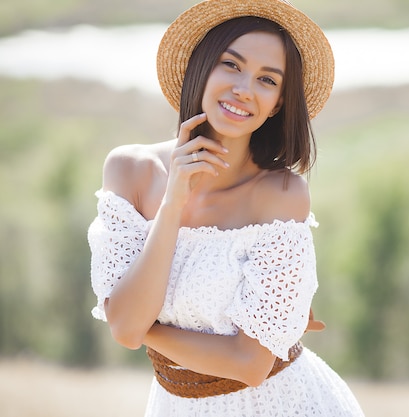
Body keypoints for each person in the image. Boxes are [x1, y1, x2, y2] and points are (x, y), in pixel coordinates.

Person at [87, 0, 365, 415]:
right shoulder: (131, 171)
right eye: (231, 65)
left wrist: (141, 328)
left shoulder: (282, 194)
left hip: (282, 404)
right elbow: (124, 325)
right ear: (201, 66)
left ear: (279, 104)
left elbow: (249, 364)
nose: (244, 89)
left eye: (267, 80)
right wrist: (174, 200)